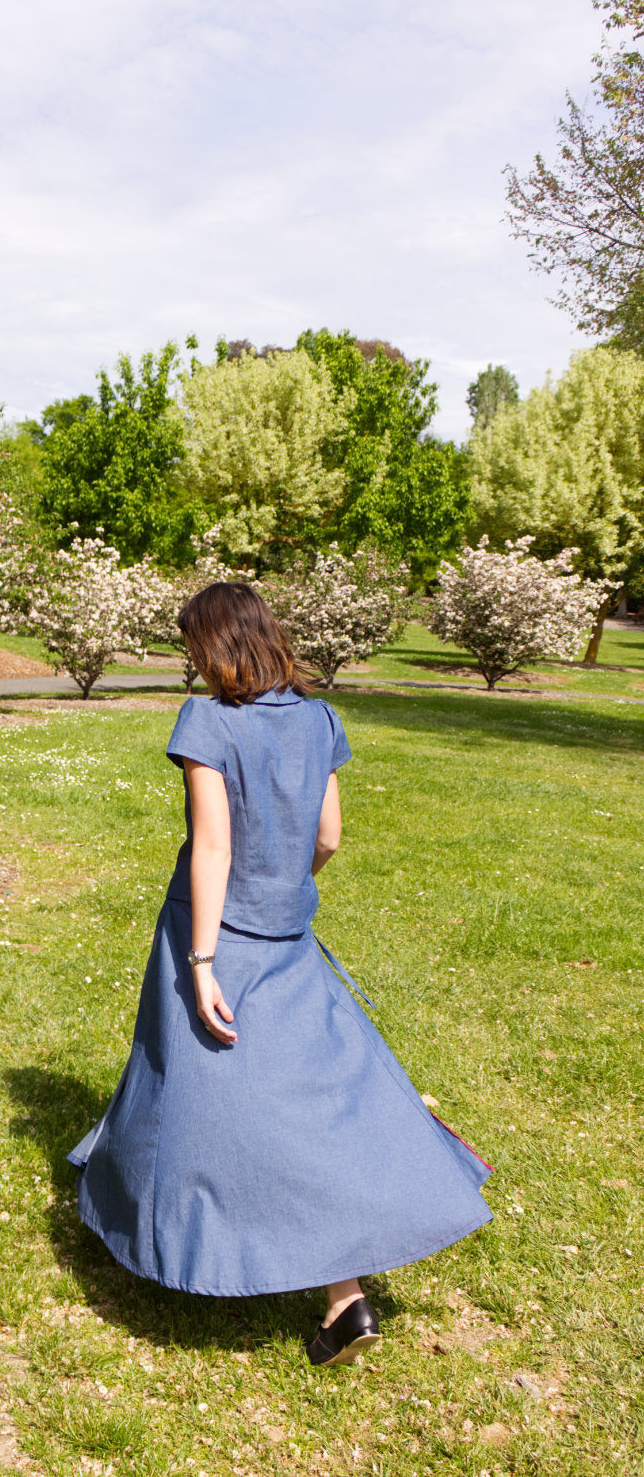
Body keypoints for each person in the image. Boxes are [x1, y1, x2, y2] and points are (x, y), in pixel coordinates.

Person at [68, 582, 492, 1368]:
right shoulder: (320, 718)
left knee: (195, 1092)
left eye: (192, 645)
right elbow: (328, 835)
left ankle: (158, 1227)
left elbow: (213, 850)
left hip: (218, 931)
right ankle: (343, 1293)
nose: (190, 660)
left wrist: (199, 960)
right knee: (310, 1098)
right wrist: (292, 885)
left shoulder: (207, 720)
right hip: (289, 929)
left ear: (211, 646)